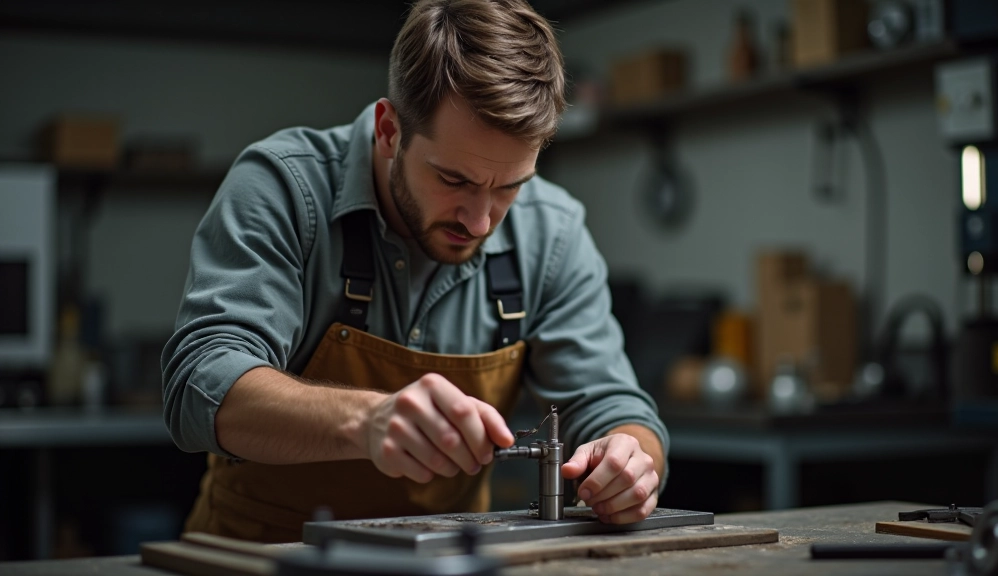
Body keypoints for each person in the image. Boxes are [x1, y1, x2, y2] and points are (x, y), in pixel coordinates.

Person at [161, 0, 669, 543]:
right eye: (453, 180)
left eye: (509, 187)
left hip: (449, 555)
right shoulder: (282, 189)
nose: (479, 221)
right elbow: (200, 385)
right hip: (261, 552)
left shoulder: (553, 232)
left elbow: (610, 403)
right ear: (388, 130)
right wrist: (367, 420)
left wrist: (630, 458)